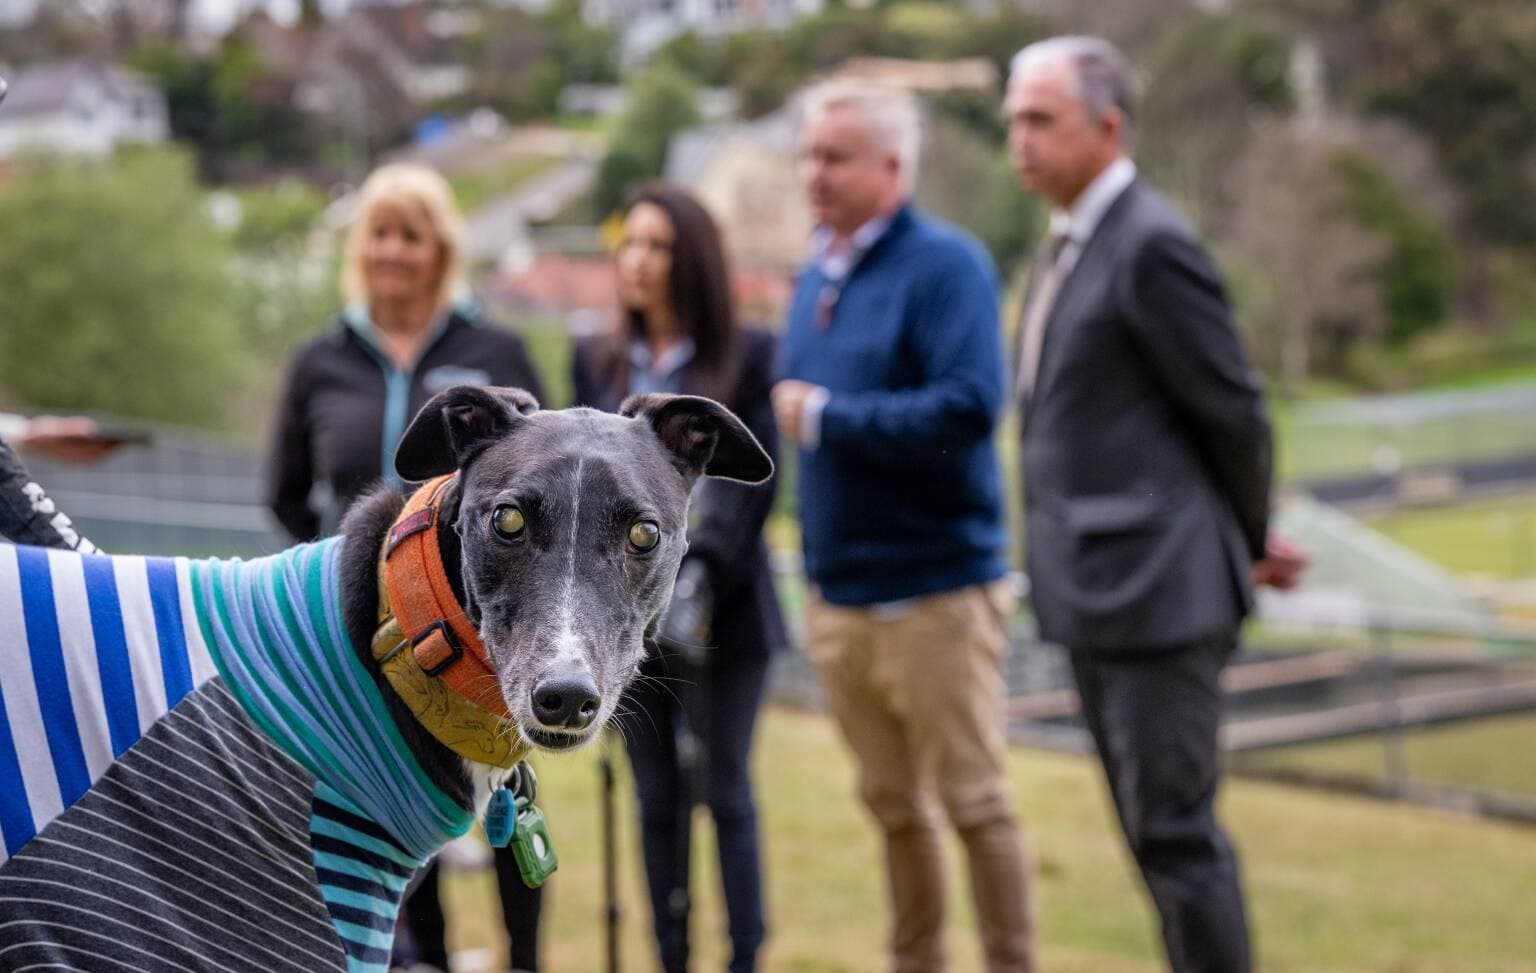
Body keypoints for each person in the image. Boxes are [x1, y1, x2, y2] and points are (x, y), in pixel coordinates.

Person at [1004, 36, 1306, 973]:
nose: (1020, 139)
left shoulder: (1151, 243)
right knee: (1152, 839)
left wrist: (1250, 537)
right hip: (1100, 594)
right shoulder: (1073, 244)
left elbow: (1234, 410)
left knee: (1177, 839)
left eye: (1040, 120)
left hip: (1161, 595)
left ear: (1109, 127)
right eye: (1012, 119)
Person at [773, 81, 1036, 973]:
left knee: (975, 804)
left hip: (938, 593)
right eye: (809, 155)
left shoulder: (947, 266)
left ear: (892, 167)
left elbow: (969, 405)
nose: (814, 174)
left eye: (834, 157)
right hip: (840, 593)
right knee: (892, 804)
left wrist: (830, 417)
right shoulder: (815, 276)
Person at [265, 161, 547, 973]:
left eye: (411, 235)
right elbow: (284, 490)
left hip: (492, 630)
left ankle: (522, 959)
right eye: (380, 234)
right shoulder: (321, 360)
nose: (393, 251)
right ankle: (419, 959)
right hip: (369, 633)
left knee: (503, 804)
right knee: (387, 800)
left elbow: (554, 476)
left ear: (441, 249)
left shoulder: (494, 348)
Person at [571, 183, 785, 973]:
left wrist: (695, 572)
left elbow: (755, 480)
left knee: (726, 790)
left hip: (726, 611)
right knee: (655, 797)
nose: (639, 261)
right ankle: (670, 954)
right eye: (630, 242)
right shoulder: (597, 359)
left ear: (690, 258)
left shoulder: (747, 355)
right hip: (627, 615)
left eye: (658, 245)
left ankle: (742, 958)